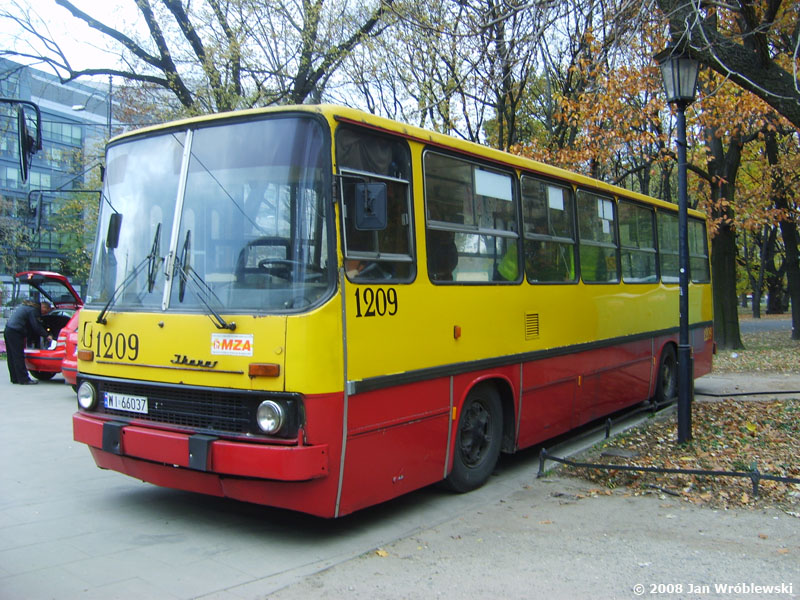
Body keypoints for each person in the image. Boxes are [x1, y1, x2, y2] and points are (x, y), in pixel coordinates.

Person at [3, 300, 53, 385]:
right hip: (16, 331)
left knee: (12, 356)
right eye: (46, 311)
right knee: (18, 356)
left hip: (8, 329)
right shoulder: (33, 310)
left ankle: (15, 378)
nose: (44, 314)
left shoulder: (28, 306)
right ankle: (24, 379)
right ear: (44, 307)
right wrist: (46, 335)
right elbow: (35, 326)